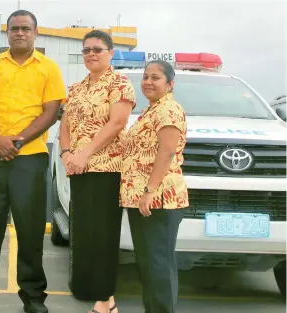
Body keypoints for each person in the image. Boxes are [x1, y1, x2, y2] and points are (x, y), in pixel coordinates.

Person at [0, 10, 66, 313]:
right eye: (15, 29)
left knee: (31, 229)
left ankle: (33, 297)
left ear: (36, 33)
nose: (20, 33)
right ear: (7, 33)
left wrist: (17, 141)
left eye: (26, 29)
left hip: (29, 158)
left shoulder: (48, 68)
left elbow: (50, 112)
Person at [58, 30, 136, 313]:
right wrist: (67, 154)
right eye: (87, 50)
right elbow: (65, 124)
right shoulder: (76, 88)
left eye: (98, 49)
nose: (91, 54)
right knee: (85, 235)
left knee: (103, 236)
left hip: (107, 170)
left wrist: (84, 154)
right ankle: (92, 292)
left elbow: (116, 124)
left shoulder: (120, 84)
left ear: (111, 53)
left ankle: (106, 302)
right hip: (78, 170)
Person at [120, 60, 188, 313]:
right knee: (148, 263)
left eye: (156, 78)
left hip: (160, 199)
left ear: (170, 84)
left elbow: (167, 151)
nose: (148, 82)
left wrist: (149, 191)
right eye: (146, 77)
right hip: (143, 198)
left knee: (158, 264)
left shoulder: (168, 110)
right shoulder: (152, 110)